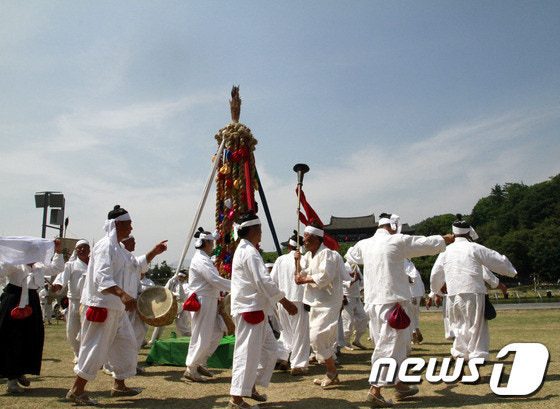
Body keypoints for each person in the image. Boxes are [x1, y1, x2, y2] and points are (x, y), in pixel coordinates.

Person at [345, 213, 453, 407]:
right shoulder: (397, 240)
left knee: (397, 344)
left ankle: (400, 384)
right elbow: (424, 243)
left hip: (373, 302)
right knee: (390, 346)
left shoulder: (364, 244)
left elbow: (350, 255)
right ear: (393, 226)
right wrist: (444, 239)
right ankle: (375, 389)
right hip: (392, 302)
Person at [67, 205, 167, 406]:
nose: (131, 227)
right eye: (128, 224)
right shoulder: (105, 246)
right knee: (95, 348)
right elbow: (101, 277)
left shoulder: (120, 249)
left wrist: (154, 253)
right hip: (101, 306)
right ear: (118, 224)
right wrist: (122, 294)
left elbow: (136, 266)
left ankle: (119, 385)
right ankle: (77, 390)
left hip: (116, 308)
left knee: (126, 344)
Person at [229, 212, 298, 409]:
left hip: (255, 309)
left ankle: (248, 386)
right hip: (249, 309)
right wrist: (285, 302)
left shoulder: (248, 249)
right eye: (259, 229)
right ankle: (236, 399)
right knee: (246, 354)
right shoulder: (248, 252)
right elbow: (263, 281)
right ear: (253, 229)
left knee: (270, 349)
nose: (261, 233)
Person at [429, 216, 517, 361]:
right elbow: (495, 259)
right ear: (468, 233)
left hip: (453, 294)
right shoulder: (474, 248)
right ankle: (477, 358)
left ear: (453, 233)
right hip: (473, 291)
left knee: (458, 326)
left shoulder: (445, 251)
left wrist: (436, 291)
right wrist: (511, 271)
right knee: (476, 327)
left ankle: (460, 355)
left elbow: (435, 274)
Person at [0, 236, 64, 394]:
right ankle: (12, 380)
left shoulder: (39, 266)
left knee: (31, 337)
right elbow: (1, 273)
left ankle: (20, 371)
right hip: (14, 300)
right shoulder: (14, 264)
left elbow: (56, 268)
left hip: (32, 302)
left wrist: (57, 251)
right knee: (13, 338)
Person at [294, 221, 351, 388]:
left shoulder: (328, 254)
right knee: (318, 339)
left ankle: (331, 371)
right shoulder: (307, 256)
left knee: (317, 337)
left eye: (306, 236)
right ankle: (331, 372)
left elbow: (325, 277)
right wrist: (297, 262)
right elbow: (299, 274)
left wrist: (304, 279)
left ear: (315, 238)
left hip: (329, 303)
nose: (303, 240)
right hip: (314, 302)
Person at [184, 227, 231, 382]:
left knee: (218, 330)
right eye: (211, 243)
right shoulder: (200, 260)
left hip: (209, 299)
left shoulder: (204, 258)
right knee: (202, 335)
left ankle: (201, 361)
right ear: (206, 243)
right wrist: (236, 285)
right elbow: (214, 280)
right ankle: (192, 367)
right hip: (202, 300)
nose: (213, 246)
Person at [270, 231, 310, 375]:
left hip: (283, 300)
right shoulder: (304, 259)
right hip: (299, 300)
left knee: (285, 333)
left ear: (289, 247)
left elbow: (272, 280)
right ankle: (297, 364)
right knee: (300, 334)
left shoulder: (280, 260)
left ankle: (282, 358)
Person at [52, 239, 90, 362]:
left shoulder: (94, 264)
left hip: (90, 301)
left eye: (85, 247)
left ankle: (87, 353)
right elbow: (62, 278)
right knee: (72, 328)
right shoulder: (70, 265)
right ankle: (77, 352)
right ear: (76, 250)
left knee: (89, 328)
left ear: (89, 250)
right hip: (75, 301)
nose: (82, 250)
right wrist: (58, 285)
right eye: (80, 248)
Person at [148, 269, 190, 346]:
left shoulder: (186, 286)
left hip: (182, 307)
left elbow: (182, 296)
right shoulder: (173, 283)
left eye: (181, 277)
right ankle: (154, 340)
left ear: (184, 278)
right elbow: (165, 290)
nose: (180, 278)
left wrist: (173, 293)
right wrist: (170, 282)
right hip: (171, 306)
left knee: (181, 326)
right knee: (162, 322)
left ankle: (190, 338)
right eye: (179, 276)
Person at [340, 261, 368, 350]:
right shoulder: (344, 266)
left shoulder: (357, 267)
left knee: (363, 317)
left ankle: (357, 340)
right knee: (348, 320)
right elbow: (343, 282)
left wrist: (359, 279)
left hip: (357, 296)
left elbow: (361, 283)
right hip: (347, 296)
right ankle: (346, 342)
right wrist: (354, 279)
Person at [405, 259, 424, 344]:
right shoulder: (416, 272)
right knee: (415, 315)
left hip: (410, 295)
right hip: (418, 294)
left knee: (409, 316)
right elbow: (422, 284)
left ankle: (413, 335)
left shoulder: (405, 269)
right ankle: (416, 328)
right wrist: (423, 296)